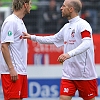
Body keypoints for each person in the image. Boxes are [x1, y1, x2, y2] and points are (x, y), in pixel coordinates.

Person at [22, 0, 98, 100]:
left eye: (63, 6)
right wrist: (32, 37)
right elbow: (53, 39)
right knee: (63, 98)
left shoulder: (83, 25)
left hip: (84, 74)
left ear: (71, 9)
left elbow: (87, 43)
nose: (61, 8)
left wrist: (68, 54)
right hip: (68, 75)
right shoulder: (66, 27)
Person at [0, 0, 32, 100]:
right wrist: (11, 69)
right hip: (12, 72)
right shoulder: (11, 21)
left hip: (21, 71)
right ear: (25, 5)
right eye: (29, 4)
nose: (30, 6)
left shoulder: (20, 21)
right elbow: (4, 46)